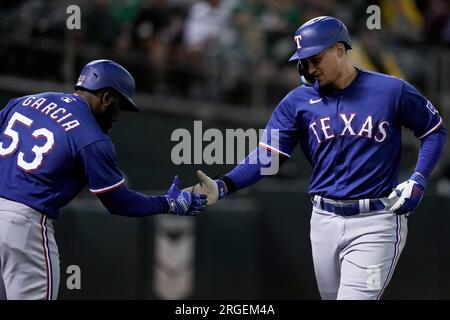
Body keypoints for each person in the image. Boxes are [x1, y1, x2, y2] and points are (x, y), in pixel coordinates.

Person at [185, 16, 447, 299]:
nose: (309, 68)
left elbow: (433, 130)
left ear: (339, 49)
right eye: (303, 62)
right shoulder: (297, 102)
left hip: (377, 221)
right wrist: (225, 184)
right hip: (323, 219)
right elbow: (269, 155)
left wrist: (418, 178)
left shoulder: (391, 90)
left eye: (315, 59)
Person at [0, 59, 207, 300]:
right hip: (24, 228)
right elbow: (118, 202)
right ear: (106, 97)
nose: (118, 114)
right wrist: (167, 203)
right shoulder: (92, 138)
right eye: (120, 104)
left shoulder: (26, 101)